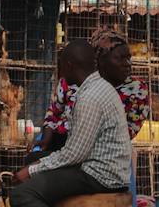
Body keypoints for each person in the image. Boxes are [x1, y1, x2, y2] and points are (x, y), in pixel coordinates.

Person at [8, 39, 133, 207]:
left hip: (99, 174)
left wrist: (32, 170)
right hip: (99, 168)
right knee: (34, 169)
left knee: (22, 196)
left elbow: (75, 154)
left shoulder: (90, 97)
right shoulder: (98, 88)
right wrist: (38, 165)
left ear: (69, 65)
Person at [34, 26, 148, 155]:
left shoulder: (136, 89)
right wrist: (47, 137)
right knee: (33, 159)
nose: (127, 63)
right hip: (59, 142)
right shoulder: (73, 80)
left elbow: (127, 131)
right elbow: (54, 112)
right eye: (120, 58)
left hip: (99, 152)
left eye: (128, 58)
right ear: (101, 61)